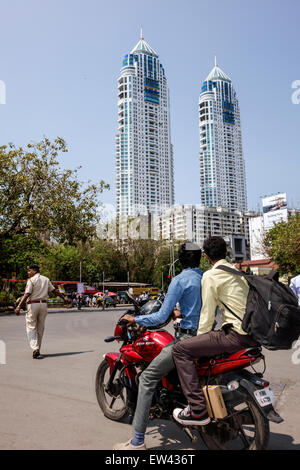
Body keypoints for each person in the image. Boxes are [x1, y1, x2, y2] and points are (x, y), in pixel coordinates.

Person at [113, 243, 203, 450]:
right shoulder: (206, 277)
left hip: (187, 339)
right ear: (200, 259)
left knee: (146, 377)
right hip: (209, 337)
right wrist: (182, 313)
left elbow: (161, 316)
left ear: (180, 262)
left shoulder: (180, 280)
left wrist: (135, 319)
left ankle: (137, 442)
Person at [172, 236, 259, 426]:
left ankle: (197, 409)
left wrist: (197, 345)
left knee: (179, 350)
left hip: (235, 336)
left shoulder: (210, 276)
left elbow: (207, 315)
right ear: (226, 253)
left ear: (205, 256)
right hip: (253, 336)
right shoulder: (237, 272)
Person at [15, 264, 69, 359]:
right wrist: (64, 298)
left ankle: (35, 348)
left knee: (31, 326)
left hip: (33, 304)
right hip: (43, 305)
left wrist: (19, 306)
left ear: (34, 271)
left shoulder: (31, 280)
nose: (28, 273)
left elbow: (27, 293)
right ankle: (38, 349)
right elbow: (54, 291)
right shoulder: (46, 279)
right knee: (40, 328)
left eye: (29, 271)